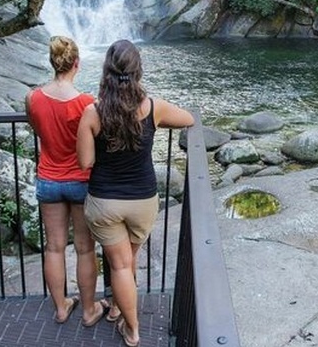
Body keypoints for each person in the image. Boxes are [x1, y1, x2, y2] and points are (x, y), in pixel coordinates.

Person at [77, 39, 194, 347]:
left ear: (106, 72)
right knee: (127, 261)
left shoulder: (92, 113)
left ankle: (132, 329)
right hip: (143, 201)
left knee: (119, 265)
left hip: (105, 202)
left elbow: (85, 162)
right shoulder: (153, 107)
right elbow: (189, 119)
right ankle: (119, 310)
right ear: (138, 71)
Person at [25, 36, 109, 327]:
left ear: (53, 62)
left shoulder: (33, 98)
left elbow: (37, 128)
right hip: (81, 181)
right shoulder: (87, 104)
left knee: (54, 247)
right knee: (85, 248)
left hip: (48, 179)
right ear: (77, 64)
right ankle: (89, 311)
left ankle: (61, 308)